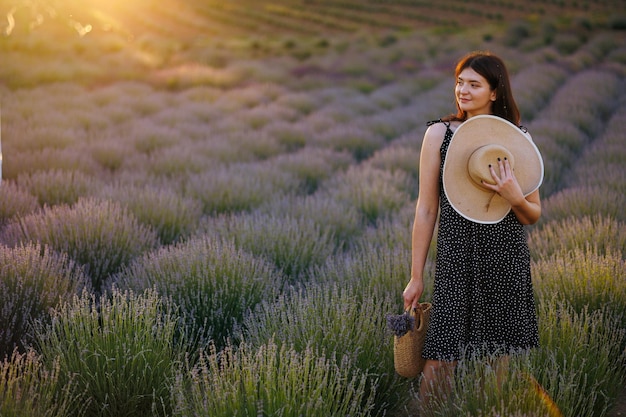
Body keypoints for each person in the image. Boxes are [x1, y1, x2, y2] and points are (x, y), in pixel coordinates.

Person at [402, 51, 542, 409]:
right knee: (441, 356)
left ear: (495, 92)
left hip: (505, 256)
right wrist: (415, 276)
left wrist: (514, 196)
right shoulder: (439, 133)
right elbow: (426, 207)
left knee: (496, 358)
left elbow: (532, 214)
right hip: (455, 256)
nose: (463, 90)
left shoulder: (518, 138)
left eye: (474, 84)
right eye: (460, 82)